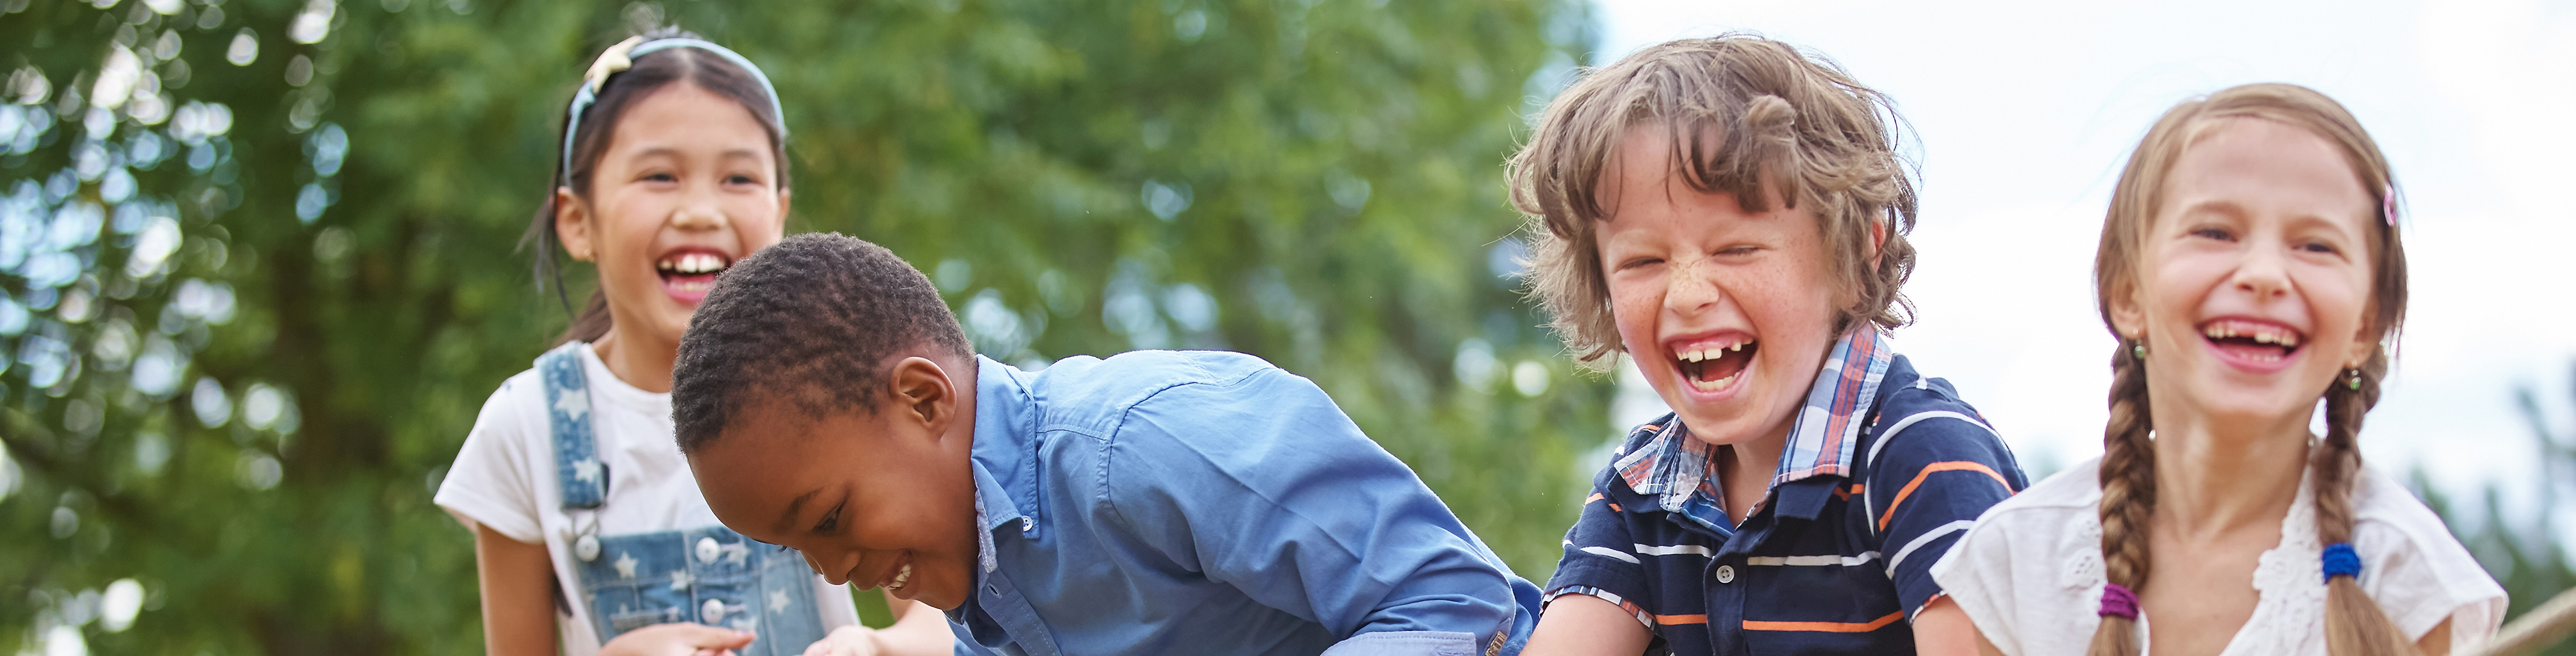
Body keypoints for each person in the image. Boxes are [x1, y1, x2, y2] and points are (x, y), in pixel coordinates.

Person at [665, 233, 1546, 656]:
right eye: (800, 550)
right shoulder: (991, 601)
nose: (834, 571)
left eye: (829, 518)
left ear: (925, 399)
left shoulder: (1142, 443)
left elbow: (1459, 599)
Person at [1927, 83, 2507, 656]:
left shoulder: (2406, 575)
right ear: (2127, 293)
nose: (2264, 274)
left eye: (2316, 246)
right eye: (2215, 233)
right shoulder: (2019, 560)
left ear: (2364, 325)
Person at [433, 29, 949, 656]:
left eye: (738, 178)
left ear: (779, 213)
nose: (701, 211)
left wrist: (872, 647)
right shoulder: (525, 426)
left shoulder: (841, 383)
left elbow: (945, 624)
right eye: (659, 175)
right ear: (577, 220)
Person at [1507, 34, 2027, 655]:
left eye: (1737, 249)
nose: (1688, 294)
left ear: (1854, 254)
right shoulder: (1643, 485)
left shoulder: (1923, 458)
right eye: (1642, 261)